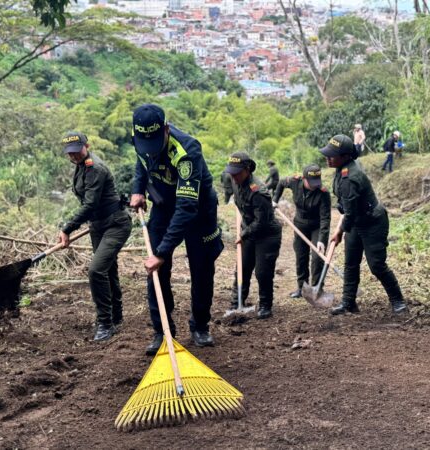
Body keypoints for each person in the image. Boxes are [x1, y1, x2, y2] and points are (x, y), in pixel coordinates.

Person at [129, 104, 224, 355]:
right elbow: (141, 162)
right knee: (156, 272)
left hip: (197, 209)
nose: (150, 148)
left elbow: (186, 208)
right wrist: (138, 189)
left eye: (155, 142)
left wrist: (162, 251)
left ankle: (200, 326)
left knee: (202, 268)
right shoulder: (140, 141)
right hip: (163, 206)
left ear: (166, 130)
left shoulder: (187, 150)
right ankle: (163, 332)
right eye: (144, 142)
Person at [320, 134, 407, 315]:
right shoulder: (341, 169)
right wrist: (343, 227)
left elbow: (349, 214)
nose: (327, 158)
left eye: (332, 155)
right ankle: (348, 302)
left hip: (372, 222)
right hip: (357, 220)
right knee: (350, 262)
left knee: (377, 265)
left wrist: (340, 232)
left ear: (345, 156)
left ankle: (398, 300)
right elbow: (346, 206)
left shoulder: (350, 177)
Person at [59, 131, 132, 342]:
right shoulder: (80, 166)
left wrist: (67, 229)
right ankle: (116, 317)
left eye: (76, 151)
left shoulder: (94, 168)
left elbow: (90, 204)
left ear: (87, 145)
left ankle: (105, 324)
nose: (73, 156)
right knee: (108, 270)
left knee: (96, 270)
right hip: (98, 225)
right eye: (69, 153)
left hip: (116, 224)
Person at [225, 152, 282, 319]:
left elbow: (261, 222)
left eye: (237, 172)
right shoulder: (235, 181)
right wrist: (243, 228)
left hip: (266, 234)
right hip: (249, 230)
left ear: (247, 169)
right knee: (242, 269)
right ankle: (237, 305)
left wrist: (243, 233)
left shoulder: (259, 191)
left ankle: (265, 305)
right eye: (231, 172)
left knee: (262, 272)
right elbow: (240, 206)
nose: (233, 176)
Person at [272, 164, 331, 298]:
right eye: (311, 182)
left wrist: (322, 239)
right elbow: (280, 183)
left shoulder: (323, 193)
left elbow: (325, 218)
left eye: (316, 182)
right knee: (301, 256)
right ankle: (302, 288)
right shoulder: (294, 181)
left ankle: (317, 289)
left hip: (317, 225)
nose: (314, 185)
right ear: (303, 179)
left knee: (317, 258)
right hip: (300, 224)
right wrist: (275, 200)